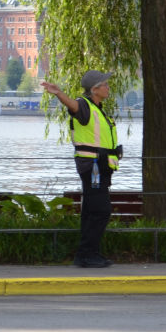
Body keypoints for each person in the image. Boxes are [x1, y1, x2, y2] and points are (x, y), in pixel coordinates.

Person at [42, 70, 121, 268]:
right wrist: (59, 93)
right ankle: (87, 254)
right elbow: (74, 106)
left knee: (91, 210)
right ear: (95, 89)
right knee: (100, 210)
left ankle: (87, 254)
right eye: (105, 85)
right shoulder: (85, 106)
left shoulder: (98, 108)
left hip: (100, 167)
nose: (108, 87)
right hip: (93, 167)